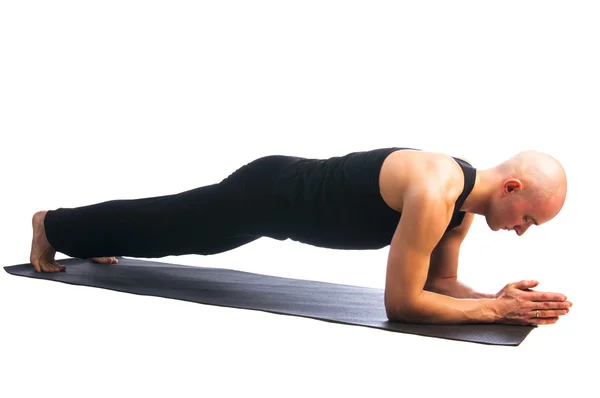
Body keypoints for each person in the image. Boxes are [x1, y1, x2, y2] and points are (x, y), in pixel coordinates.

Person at [28, 147, 572, 325]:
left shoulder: (461, 210)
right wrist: (493, 316)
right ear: (512, 187)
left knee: (163, 229)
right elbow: (403, 304)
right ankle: (51, 224)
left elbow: (441, 284)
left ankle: (80, 233)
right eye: (530, 218)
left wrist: (491, 298)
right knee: (171, 226)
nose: (523, 232)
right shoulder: (435, 193)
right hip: (268, 194)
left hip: (280, 201)